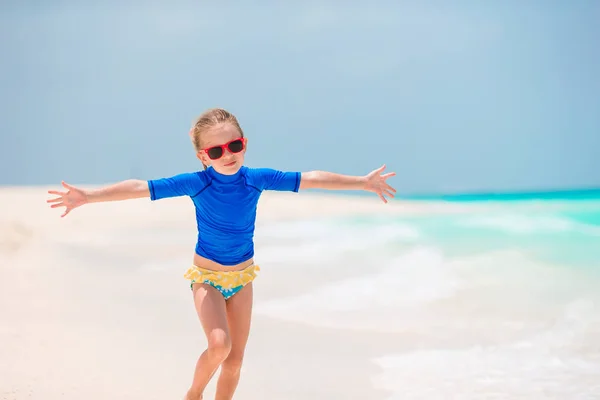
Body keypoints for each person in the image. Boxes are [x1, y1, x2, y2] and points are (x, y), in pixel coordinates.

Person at [46, 108, 397, 400]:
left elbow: (311, 179)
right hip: (207, 279)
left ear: (245, 144)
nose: (227, 155)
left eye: (234, 145)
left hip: (243, 279)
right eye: (216, 151)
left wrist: (361, 182)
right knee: (219, 345)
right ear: (203, 156)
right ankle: (193, 394)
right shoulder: (198, 182)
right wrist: (89, 197)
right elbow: (140, 187)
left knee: (234, 362)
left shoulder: (256, 178)